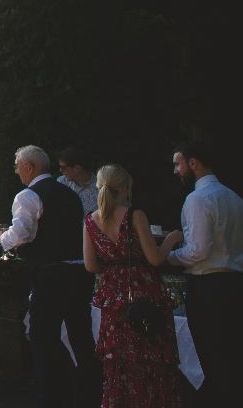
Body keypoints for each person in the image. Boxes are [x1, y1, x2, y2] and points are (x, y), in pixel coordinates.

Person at [0, 145, 99, 407]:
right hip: (79, 271)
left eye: (18, 166)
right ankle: (90, 393)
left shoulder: (28, 196)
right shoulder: (69, 194)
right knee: (80, 334)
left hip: (51, 272)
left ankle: (51, 396)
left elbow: (22, 233)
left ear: (29, 167)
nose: (16, 171)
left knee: (42, 337)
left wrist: (2, 238)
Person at [84, 164, 182, 407]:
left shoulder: (90, 220)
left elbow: (90, 265)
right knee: (150, 356)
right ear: (126, 189)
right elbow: (155, 258)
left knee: (120, 361)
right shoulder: (134, 215)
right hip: (142, 290)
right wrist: (171, 239)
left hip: (112, 295)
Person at [161, 140, 243, 408]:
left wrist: (168, 255)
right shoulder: (234, 197)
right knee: (233, 355)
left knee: (211, 356)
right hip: (235, 283)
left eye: (178, 163)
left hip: (208, 287)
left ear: (193, 162)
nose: (175, 170)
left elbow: (197, 251)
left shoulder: (197, 199)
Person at [58, 147, 99, 215]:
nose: (60, 170)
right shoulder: (61, 182)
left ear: (77, 168)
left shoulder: (99, 189)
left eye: (63, 167)